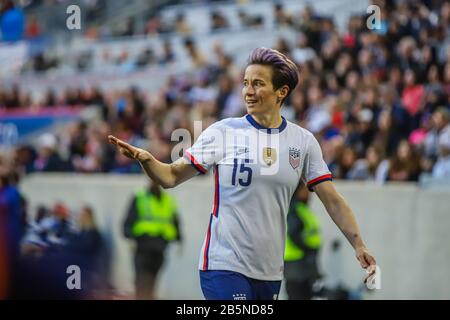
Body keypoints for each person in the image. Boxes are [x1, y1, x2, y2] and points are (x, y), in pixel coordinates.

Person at [108, 47, 376, 300]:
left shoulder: (303, 142)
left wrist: (358, 244)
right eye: (245, 83)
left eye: (258, 83)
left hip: (269, 272)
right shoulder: (223, 132)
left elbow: (333, 200)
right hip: (223, 265)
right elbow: (170, 177)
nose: (248, 91)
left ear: (281, 92)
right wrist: (147, 160)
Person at [123, 180, 182, 300]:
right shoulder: (140, 197)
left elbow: (175, 221)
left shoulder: (168, 200)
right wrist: (129, 234)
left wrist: (178, 238)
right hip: (143, 246)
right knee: (142, 281)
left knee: (152, 281)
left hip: (160, 246)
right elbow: (128, 221)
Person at [284, 185, 321, 300]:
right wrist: (309, 249)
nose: (309, 193)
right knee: (297, 295)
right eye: (306, 190)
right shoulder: (295, 209)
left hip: (303, 263)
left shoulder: (302, 209)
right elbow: (294, 234)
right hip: (296, 263)